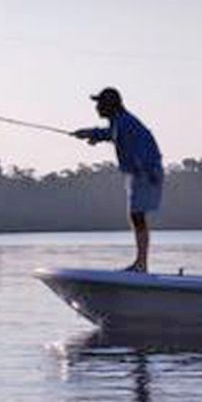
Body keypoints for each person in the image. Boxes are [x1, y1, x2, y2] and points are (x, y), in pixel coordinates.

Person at [73, 87, 163, 272]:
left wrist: (147, 172)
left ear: (110, 105)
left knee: (137, 216)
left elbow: (141, 148)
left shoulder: (124, 122)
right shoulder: (119, 122)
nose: (97, 107)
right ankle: (141, 263)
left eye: (100, 103)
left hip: (144, 173)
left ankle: (141, 264)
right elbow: (110, 134)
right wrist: (90, 133)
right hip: (139, 173)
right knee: (136, 216)